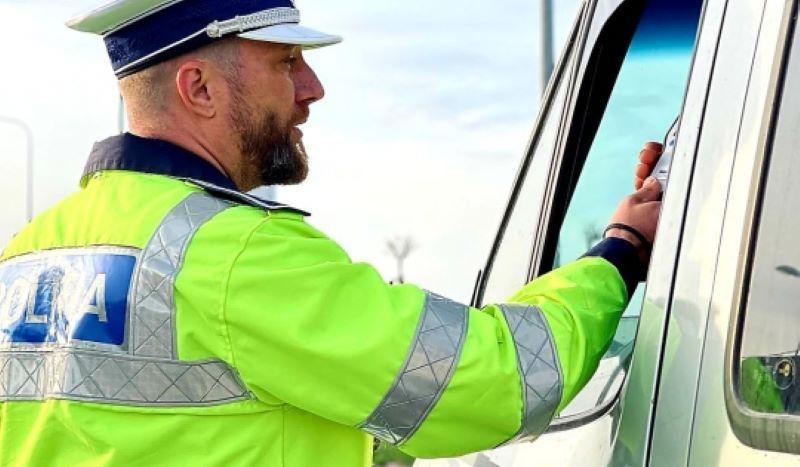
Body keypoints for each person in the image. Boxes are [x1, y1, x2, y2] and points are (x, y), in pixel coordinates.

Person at [0, 1, 663, 466]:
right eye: (286, 61)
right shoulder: (233, 253)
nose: (312, 88)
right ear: (198, 87)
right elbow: (493, 379)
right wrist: (621, 251)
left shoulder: (27, 253)